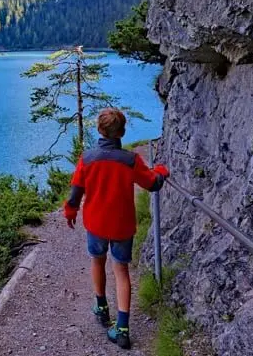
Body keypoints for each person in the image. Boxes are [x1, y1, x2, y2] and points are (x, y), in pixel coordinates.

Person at [62, 108, 169, 350]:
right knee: (121, 271)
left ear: (100, 130)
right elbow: (152, 184)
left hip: (96, 224)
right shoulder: (130, 160)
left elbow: (76, 192)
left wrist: (70, 212)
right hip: (122, 226)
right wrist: (162, 171)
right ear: (121, 132)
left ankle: (101, 307)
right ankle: (122, 329)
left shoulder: (87, 159)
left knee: (97, 261)